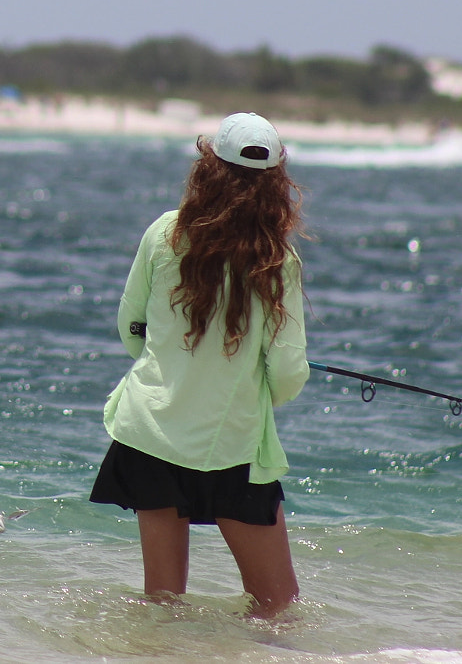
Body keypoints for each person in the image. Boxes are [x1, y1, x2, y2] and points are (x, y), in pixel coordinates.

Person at [89, 112, 309, 618]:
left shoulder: (165, 231)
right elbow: (289, 370)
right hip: (229, 444)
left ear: (208, 168)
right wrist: (251, 389)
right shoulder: (278, 261)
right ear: (276, 181)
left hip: (150, 431)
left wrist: (172, 364)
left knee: (163, 605)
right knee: (279, 609)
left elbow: (131, 327)